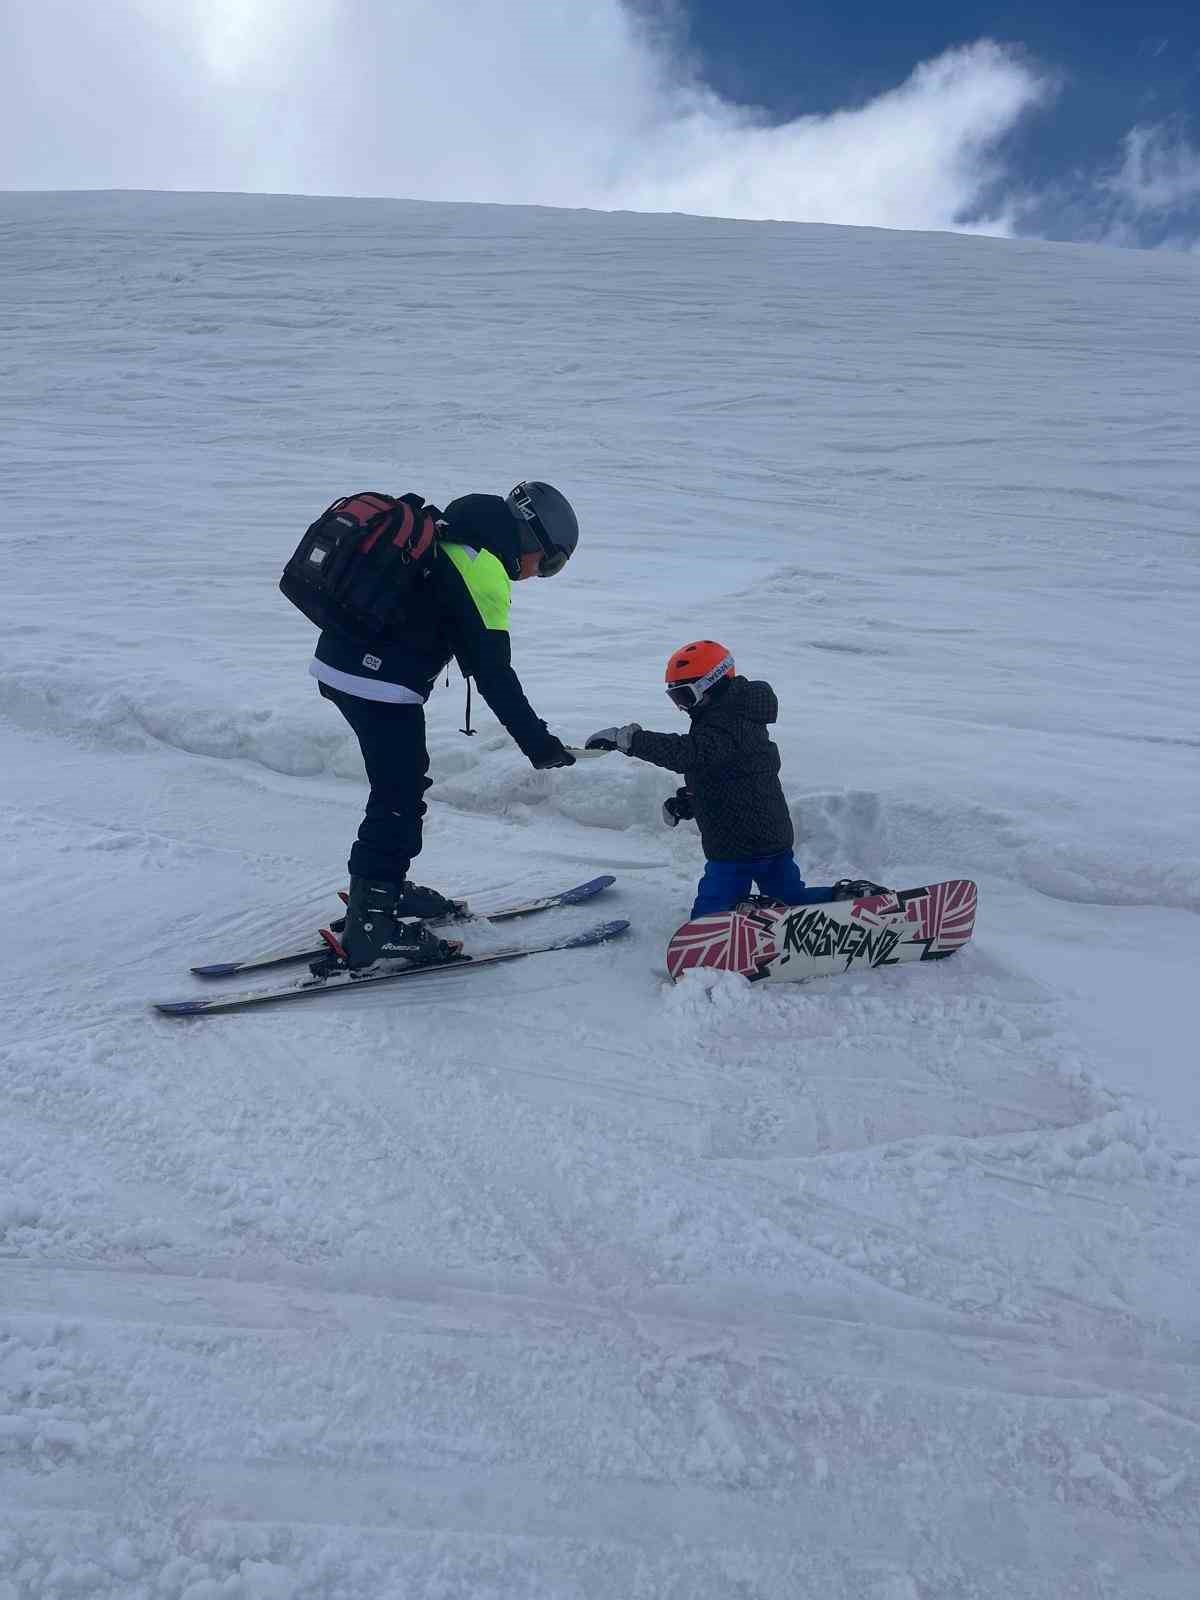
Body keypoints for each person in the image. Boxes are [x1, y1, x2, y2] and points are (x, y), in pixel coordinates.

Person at [312, 480, 578, 968]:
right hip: (376, 682)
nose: (539, 573)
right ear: (530, 539)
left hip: (342, 663)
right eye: (550, 562)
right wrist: (540, 745)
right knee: (399, 795)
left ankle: (381, 888)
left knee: (400, 784)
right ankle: (371, 924)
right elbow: (495, 676)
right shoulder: (483, 570)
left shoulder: (452, 536)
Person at [585, 639, 889, 918]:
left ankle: (745, 914)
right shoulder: (735, 719)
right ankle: (848, 900)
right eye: (675, 697)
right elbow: (728, 774)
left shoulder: (726, 724)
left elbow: (689, 753)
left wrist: (628, 740)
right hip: (769, 834)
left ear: (712, 684)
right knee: (791, 897)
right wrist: (689, 801)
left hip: (736, 846)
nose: (681, 706)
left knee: (708, 919)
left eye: (685, 696)